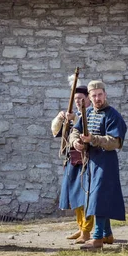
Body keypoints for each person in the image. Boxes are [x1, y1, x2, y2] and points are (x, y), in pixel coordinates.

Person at [69, 80, 127, 251]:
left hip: (106, 162)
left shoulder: (112, 115)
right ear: (90, 97)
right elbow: (75, 131)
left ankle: (98, 237)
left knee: (99, 198)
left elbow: (115, 141)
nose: (97, 98)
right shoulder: (87, 113)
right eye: (93, 95)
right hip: (91, 161)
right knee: (95, 197)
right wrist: (76, 143)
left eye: (100, 94)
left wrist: (93, 139)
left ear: (105, 94)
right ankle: (107, 234)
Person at [51, 85, 94, 244]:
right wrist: (61, 118)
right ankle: (81, 227)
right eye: (76, 99)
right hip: (72, 160)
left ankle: (87, 230)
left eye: (81, 99)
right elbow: (57, 133)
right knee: (75, 196)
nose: (78, 102)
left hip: (87, 160)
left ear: (88, 99)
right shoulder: (73, 114)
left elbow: (85, 129)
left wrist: (74, 120)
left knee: (85, 196)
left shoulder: (92, 114)